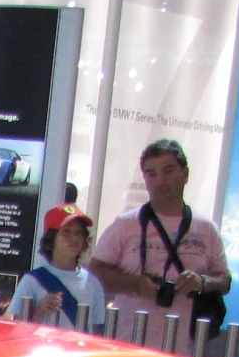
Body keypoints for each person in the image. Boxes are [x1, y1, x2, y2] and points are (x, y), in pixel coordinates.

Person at [89, 138, 230, 336]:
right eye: (151, 174)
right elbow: (95, 271)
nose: (160, 181)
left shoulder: (206, 228)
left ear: (185, 174)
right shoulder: (125, 224)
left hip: (183, 348)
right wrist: (136, 284)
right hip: (129, 341)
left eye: (168, 171)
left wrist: (201, 282)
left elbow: (224, 280)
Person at [10, 203, 105, 326]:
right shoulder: (32, 281)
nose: (74, 237)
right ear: (51, 238)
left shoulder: (92, 283)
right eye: (66, 232)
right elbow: (17, 328)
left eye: (79, 232)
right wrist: (40, 311)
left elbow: (97, 331)